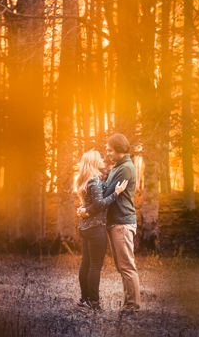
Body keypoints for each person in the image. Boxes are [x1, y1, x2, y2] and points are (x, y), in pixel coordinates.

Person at [80, 133, 140, 311]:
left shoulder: (126, 168)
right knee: (122, 266)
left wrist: (87, 211)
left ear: (120, 150)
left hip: (122, 222)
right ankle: (129, 303)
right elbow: (104, 194)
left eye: (110, 150)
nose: (107, 153)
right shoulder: (117, 167)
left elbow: (105, 195)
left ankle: (132, 305)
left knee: (127, 266)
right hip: (114, 222)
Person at [74, 150, 127, 310]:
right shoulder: (94, 181)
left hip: (84, 227)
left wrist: (84, 210)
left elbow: (90, 203)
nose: (103, 159)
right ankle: (94, 301)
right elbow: (99, 204)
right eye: (100, 158)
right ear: (94, 162)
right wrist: (116, 193)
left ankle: (84, 299)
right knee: (95, 266)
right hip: (95, 228)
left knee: (86, 264)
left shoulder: (84, 181)